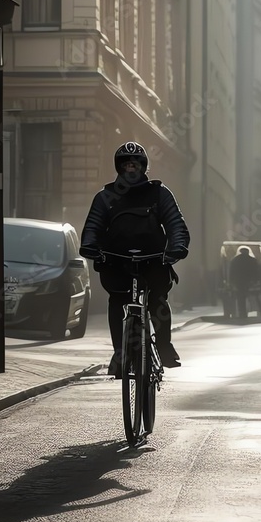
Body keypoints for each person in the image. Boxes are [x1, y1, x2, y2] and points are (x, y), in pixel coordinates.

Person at [79, 142, 190, 378]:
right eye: (126, 163)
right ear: (119, 167)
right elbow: (94, 225)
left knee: (158, 300)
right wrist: (91, 247)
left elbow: (174, 223)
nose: (131, 168)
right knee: (117, 301)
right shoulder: (105, 196)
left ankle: (164, 346)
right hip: (117, 262)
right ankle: (120, 353)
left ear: (143, 166)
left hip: (153, 260)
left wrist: (176, 247)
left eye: (135, 163)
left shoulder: (160, 193)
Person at [228, 246, 261, 319]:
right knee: (252, 297)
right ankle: (254, 312)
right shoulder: (252, 260)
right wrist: (256, 280)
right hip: (249, 281)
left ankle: (242, 313)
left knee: (240, 298)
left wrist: (231, 281)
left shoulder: (235, 260)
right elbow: (256, 271)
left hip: (239, 281)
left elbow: (231, 272)